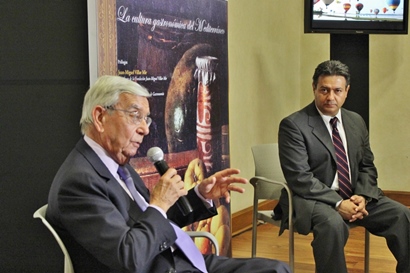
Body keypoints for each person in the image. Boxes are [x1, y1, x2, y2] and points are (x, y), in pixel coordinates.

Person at [46, 75, 290, 273]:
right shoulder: (78, 182)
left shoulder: (117, 164)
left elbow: (151, 222)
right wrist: (159, 203)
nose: (144, 128)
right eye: (135, 116)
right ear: (100, 117)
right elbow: (128, 256)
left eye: (146, 119)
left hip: (180, 260)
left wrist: (199, 196)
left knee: (277, 269)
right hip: (162, 266)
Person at [277, 60, 410, 273]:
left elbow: (367, 165)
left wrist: (363, 197)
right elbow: (300, 178)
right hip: (314, 199)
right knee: (332, 224)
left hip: (354, 196)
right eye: (324, 90)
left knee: (402, 215)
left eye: (337, 90)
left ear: (346, 91)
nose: (331, 97)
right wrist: (339, 203)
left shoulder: (356, 121)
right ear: (314, 88)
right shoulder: (294, 125)